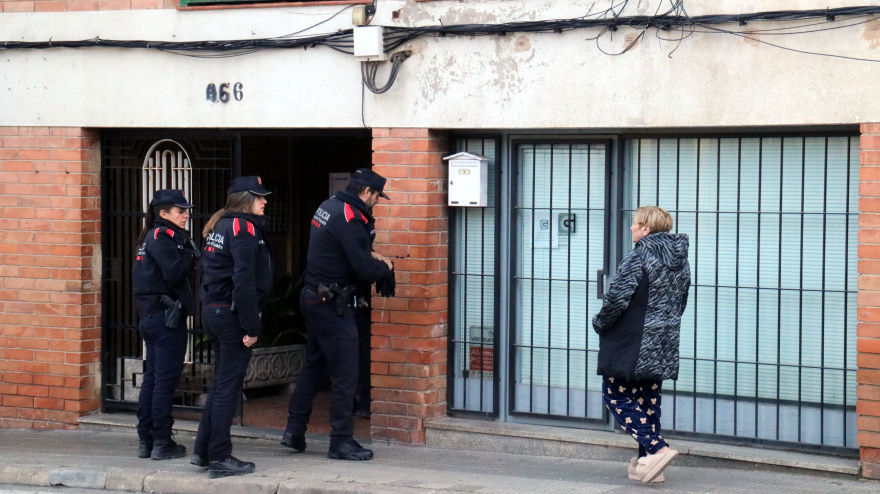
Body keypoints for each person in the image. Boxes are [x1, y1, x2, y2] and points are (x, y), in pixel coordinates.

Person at [282, 168, 393, 461]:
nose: (378, 202)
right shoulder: (350, 217)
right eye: (378, 197)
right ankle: (340, 440)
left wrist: (369, 254)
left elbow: (341, 248)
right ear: (366, 192)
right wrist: (386, 268)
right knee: (346, 372)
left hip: (314, 297)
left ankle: (294, 431)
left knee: (314, 366)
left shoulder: (329, 206)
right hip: (333, 304)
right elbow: (364, 271)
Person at [591, 206, 690, 484]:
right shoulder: (680, 262)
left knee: (615, 394)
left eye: (635, 223)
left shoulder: (639, 256)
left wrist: (599, 323)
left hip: (631, 341)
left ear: (646, 228)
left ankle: (658, 450)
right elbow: (680, 302)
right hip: (663, 340)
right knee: (648, 402)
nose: (632, 228)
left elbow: (616, 300)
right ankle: (650, 466)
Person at [192, 176, 272, 479]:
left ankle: (203, 451)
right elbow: (243, 279)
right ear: (244, 199)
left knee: (220, 385)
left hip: (214, 311)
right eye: (260, 197)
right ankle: (220, 457)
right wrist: (252, 327)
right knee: (228, 387)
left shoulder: (220, 225)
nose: (265, 202)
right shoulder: (242, 227)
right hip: (231, 315)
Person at [132, 189, 197, 461]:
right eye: (180, 211)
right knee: (163, 383)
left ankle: (147, 440)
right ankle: (161, 441)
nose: (186, 216)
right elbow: (174, 273)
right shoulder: (163, 236)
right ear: (163, 214)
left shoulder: (150, 236)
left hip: (151, 317)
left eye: (186, 211)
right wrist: (191, 256)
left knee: (153, 379)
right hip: (165, 319)